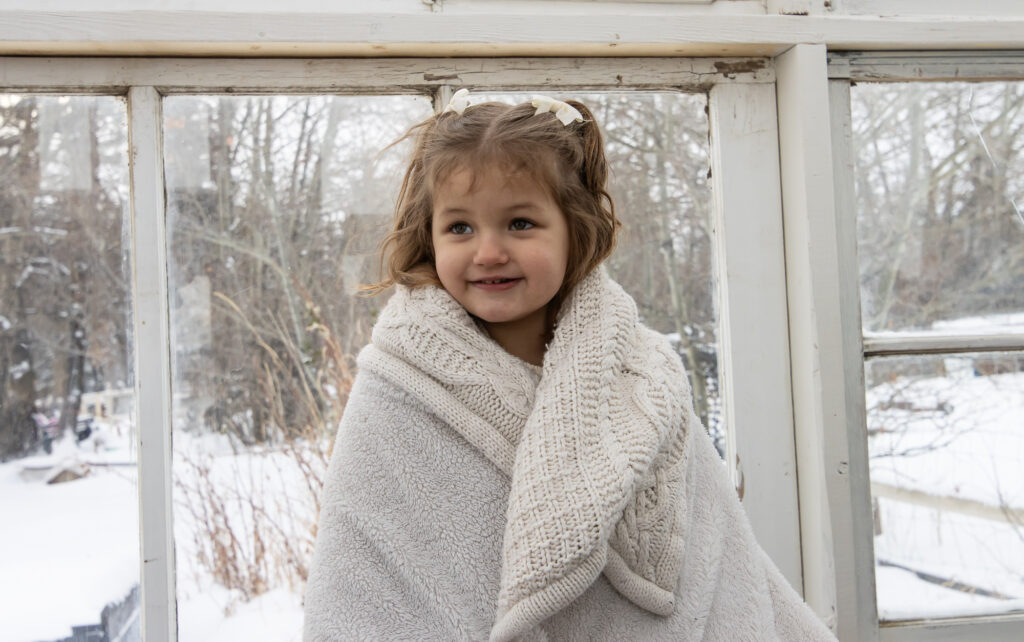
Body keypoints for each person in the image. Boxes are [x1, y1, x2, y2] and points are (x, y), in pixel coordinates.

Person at [303, 89, 836, 641]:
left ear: (575, 230)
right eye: (460, 228)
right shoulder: (398, 385)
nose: (488, 252)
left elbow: (722, 557)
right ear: (429, 237)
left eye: (520, 223)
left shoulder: (640, 377)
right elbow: (361, 583)